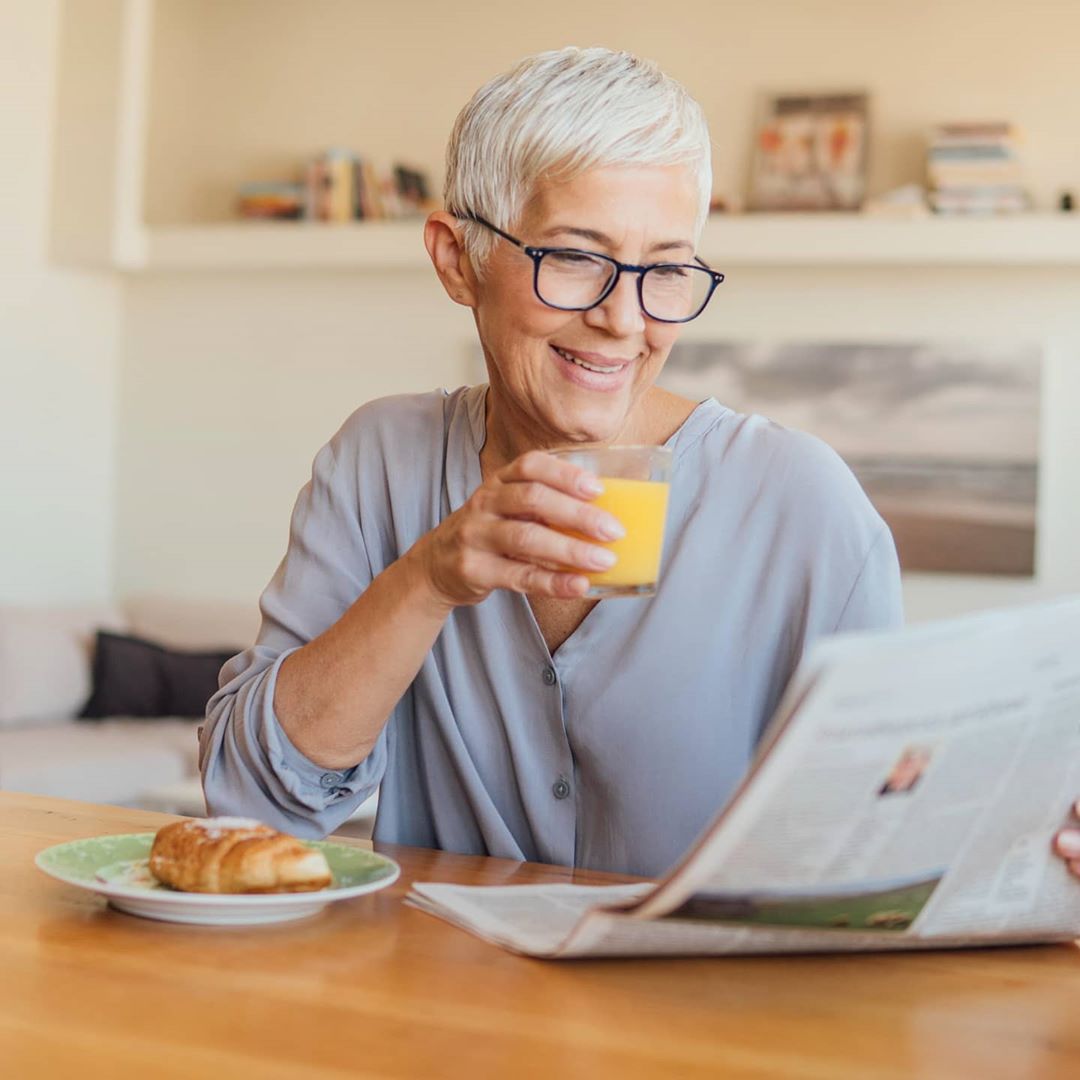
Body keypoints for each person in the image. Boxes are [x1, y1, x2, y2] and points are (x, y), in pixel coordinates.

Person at [197, 46, 1080, 883]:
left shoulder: (800, 504)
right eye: (577, 259)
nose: (625, 319)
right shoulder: (378, 463)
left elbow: (885, 829)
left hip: (708, 1025)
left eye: (665, 271)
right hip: (445, 1015)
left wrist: (1030, 833)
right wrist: (429, 578)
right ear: (456, 259)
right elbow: (254, 801)